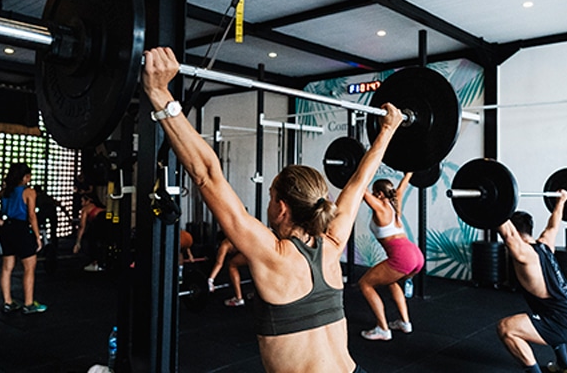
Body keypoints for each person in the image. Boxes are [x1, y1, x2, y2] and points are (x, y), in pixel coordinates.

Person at [142, 47, 402, 373]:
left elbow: (207, 174)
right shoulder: (333, 245)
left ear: (281, 207)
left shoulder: (273, 254)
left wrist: (158, 92)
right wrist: (389, 129)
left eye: (270, 197)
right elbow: (360, 179)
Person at [496, 191, 567, 373]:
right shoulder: (546, 245)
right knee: (548, 316)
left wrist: (494, 205)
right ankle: (566, 368)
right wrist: (562, 200)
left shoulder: (525, 255)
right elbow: (554, 224)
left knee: (506, 328)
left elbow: (509, 236)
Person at [358, 172, 424, 341]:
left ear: (379, 194)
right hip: (415, 255)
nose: (372, 194)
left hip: (402, 256)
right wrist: (410, 171)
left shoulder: (380, 207)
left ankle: (382, 329)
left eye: (375, 192)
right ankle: (405, 322)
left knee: (365, 284)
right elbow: (402, 188)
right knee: (391, 281)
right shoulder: (395, 206)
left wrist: (358, 170)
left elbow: (360, 188)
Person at [0, 162, 47, 314]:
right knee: (29, 268)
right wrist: (37, 236)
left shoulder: (5, 191)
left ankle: (8, 302)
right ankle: (29, 304)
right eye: (28, 176)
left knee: (6, 268)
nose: (29, 179)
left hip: (6, 229)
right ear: (24, 177)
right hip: (21, 229)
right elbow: (31, 215)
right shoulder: (29, 192)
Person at [207, 238, 249, 307]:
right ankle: (256, 293)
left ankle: (239, 299)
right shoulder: (235, 238)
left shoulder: (224, 244)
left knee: (232, 265)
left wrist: (210, 280)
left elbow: (219, 263)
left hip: (252, 251)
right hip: (257, 248)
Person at [73, 193, 109, 272]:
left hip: (99, 223)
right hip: (108, 222)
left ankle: (95, 263)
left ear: (88, 201)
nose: (81, 203)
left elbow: (82, 226)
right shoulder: (100, 207)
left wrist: (78, 242)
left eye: (82, 201)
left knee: (91, 240)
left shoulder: (85, 209)